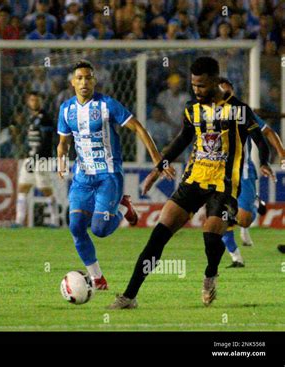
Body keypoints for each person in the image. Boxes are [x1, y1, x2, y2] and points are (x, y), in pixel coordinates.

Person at [108, 57, 274, 309]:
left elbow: (260, 139)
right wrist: (158, 168)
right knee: (158, 237)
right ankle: (129, 297)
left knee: (210, 236)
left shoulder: (239, 110)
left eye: (202, 86)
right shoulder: (192, 109)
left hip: (224, 186)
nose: (196, 91)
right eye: (194, 85)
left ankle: (210, 274)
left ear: (217, 82)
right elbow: (182, 140)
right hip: (193, 180)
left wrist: (264, 161)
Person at [57, 60, 173, 290]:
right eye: (79, 78)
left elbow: (138, 127)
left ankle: (123, 207)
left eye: (88, 77)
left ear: (94, 81)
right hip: (82, 177)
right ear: (72, 82)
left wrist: (157, 159)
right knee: (76, 226)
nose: (84, 82)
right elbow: (63, 142)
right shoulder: (66, 109)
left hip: (108, 175)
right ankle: (98, 278)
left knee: (99, 230)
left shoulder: (107, 104)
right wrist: (61, 159)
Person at [218, 78, 285, 266]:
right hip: (215, 173)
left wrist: (281, 154)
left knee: (244, 220)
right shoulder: (204, 112)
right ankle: (236, 257)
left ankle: (253, 203)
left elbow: (267, 133)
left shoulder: (242, 112)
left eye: (228, 92)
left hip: (243, 171)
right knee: (217, 218)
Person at [11, 91, 57, 228]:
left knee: (45, 189)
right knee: (22, 187)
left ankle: (54, 220)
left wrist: (38, 158)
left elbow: (47, 141)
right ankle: (19, 221)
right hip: (29, 159)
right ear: (28, 102)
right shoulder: (29, 118)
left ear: (41, 102)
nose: (34, 103)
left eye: (37, 100)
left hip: (41, 159)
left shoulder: (45, 118)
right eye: (32, 100)